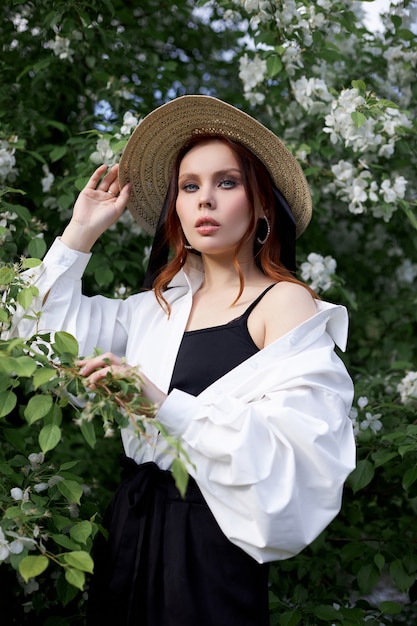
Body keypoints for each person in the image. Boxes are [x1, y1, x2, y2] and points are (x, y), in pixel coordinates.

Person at [9, 95, 355, 626]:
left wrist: (164, 404)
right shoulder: (155, 307)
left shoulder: (284, 302)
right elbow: (30, 333)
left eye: (227, 183)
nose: (204, 201)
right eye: (190, 187)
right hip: (131, 524)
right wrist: (79, 234)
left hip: (209, 541)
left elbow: (304, 448)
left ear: (262, 204)